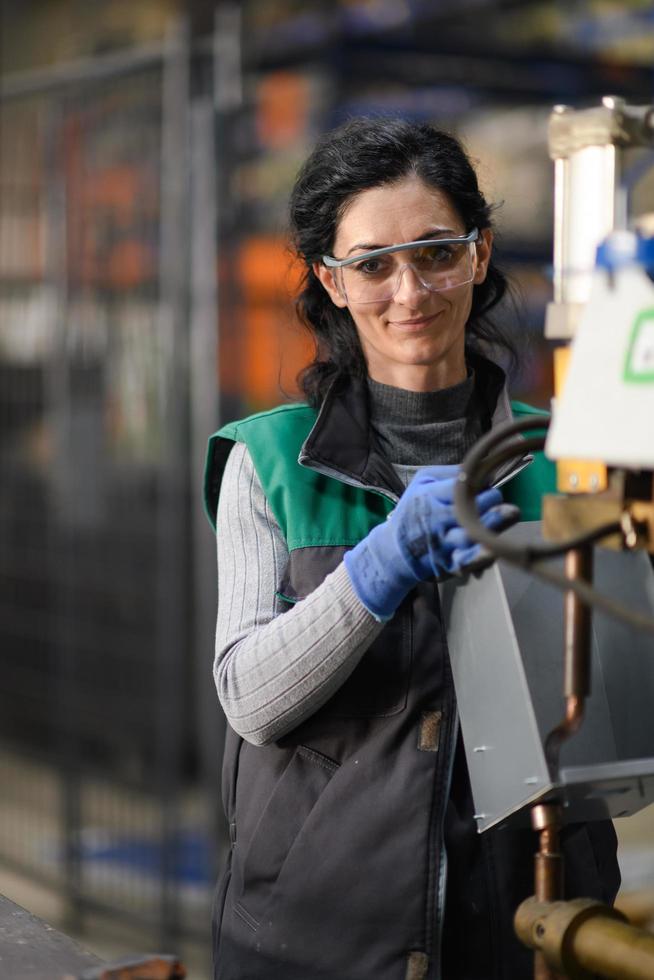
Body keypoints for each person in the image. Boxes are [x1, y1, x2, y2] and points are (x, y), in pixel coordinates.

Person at [204, 118, 619, 980]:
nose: (409, 290)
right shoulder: (269, 461)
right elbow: (249, 699)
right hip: (319, 936)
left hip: (529, 923)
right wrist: (379, 567)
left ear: (479, 253)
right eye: (371, 264)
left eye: (436, 252)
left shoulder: (573, 459)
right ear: (332, 280)